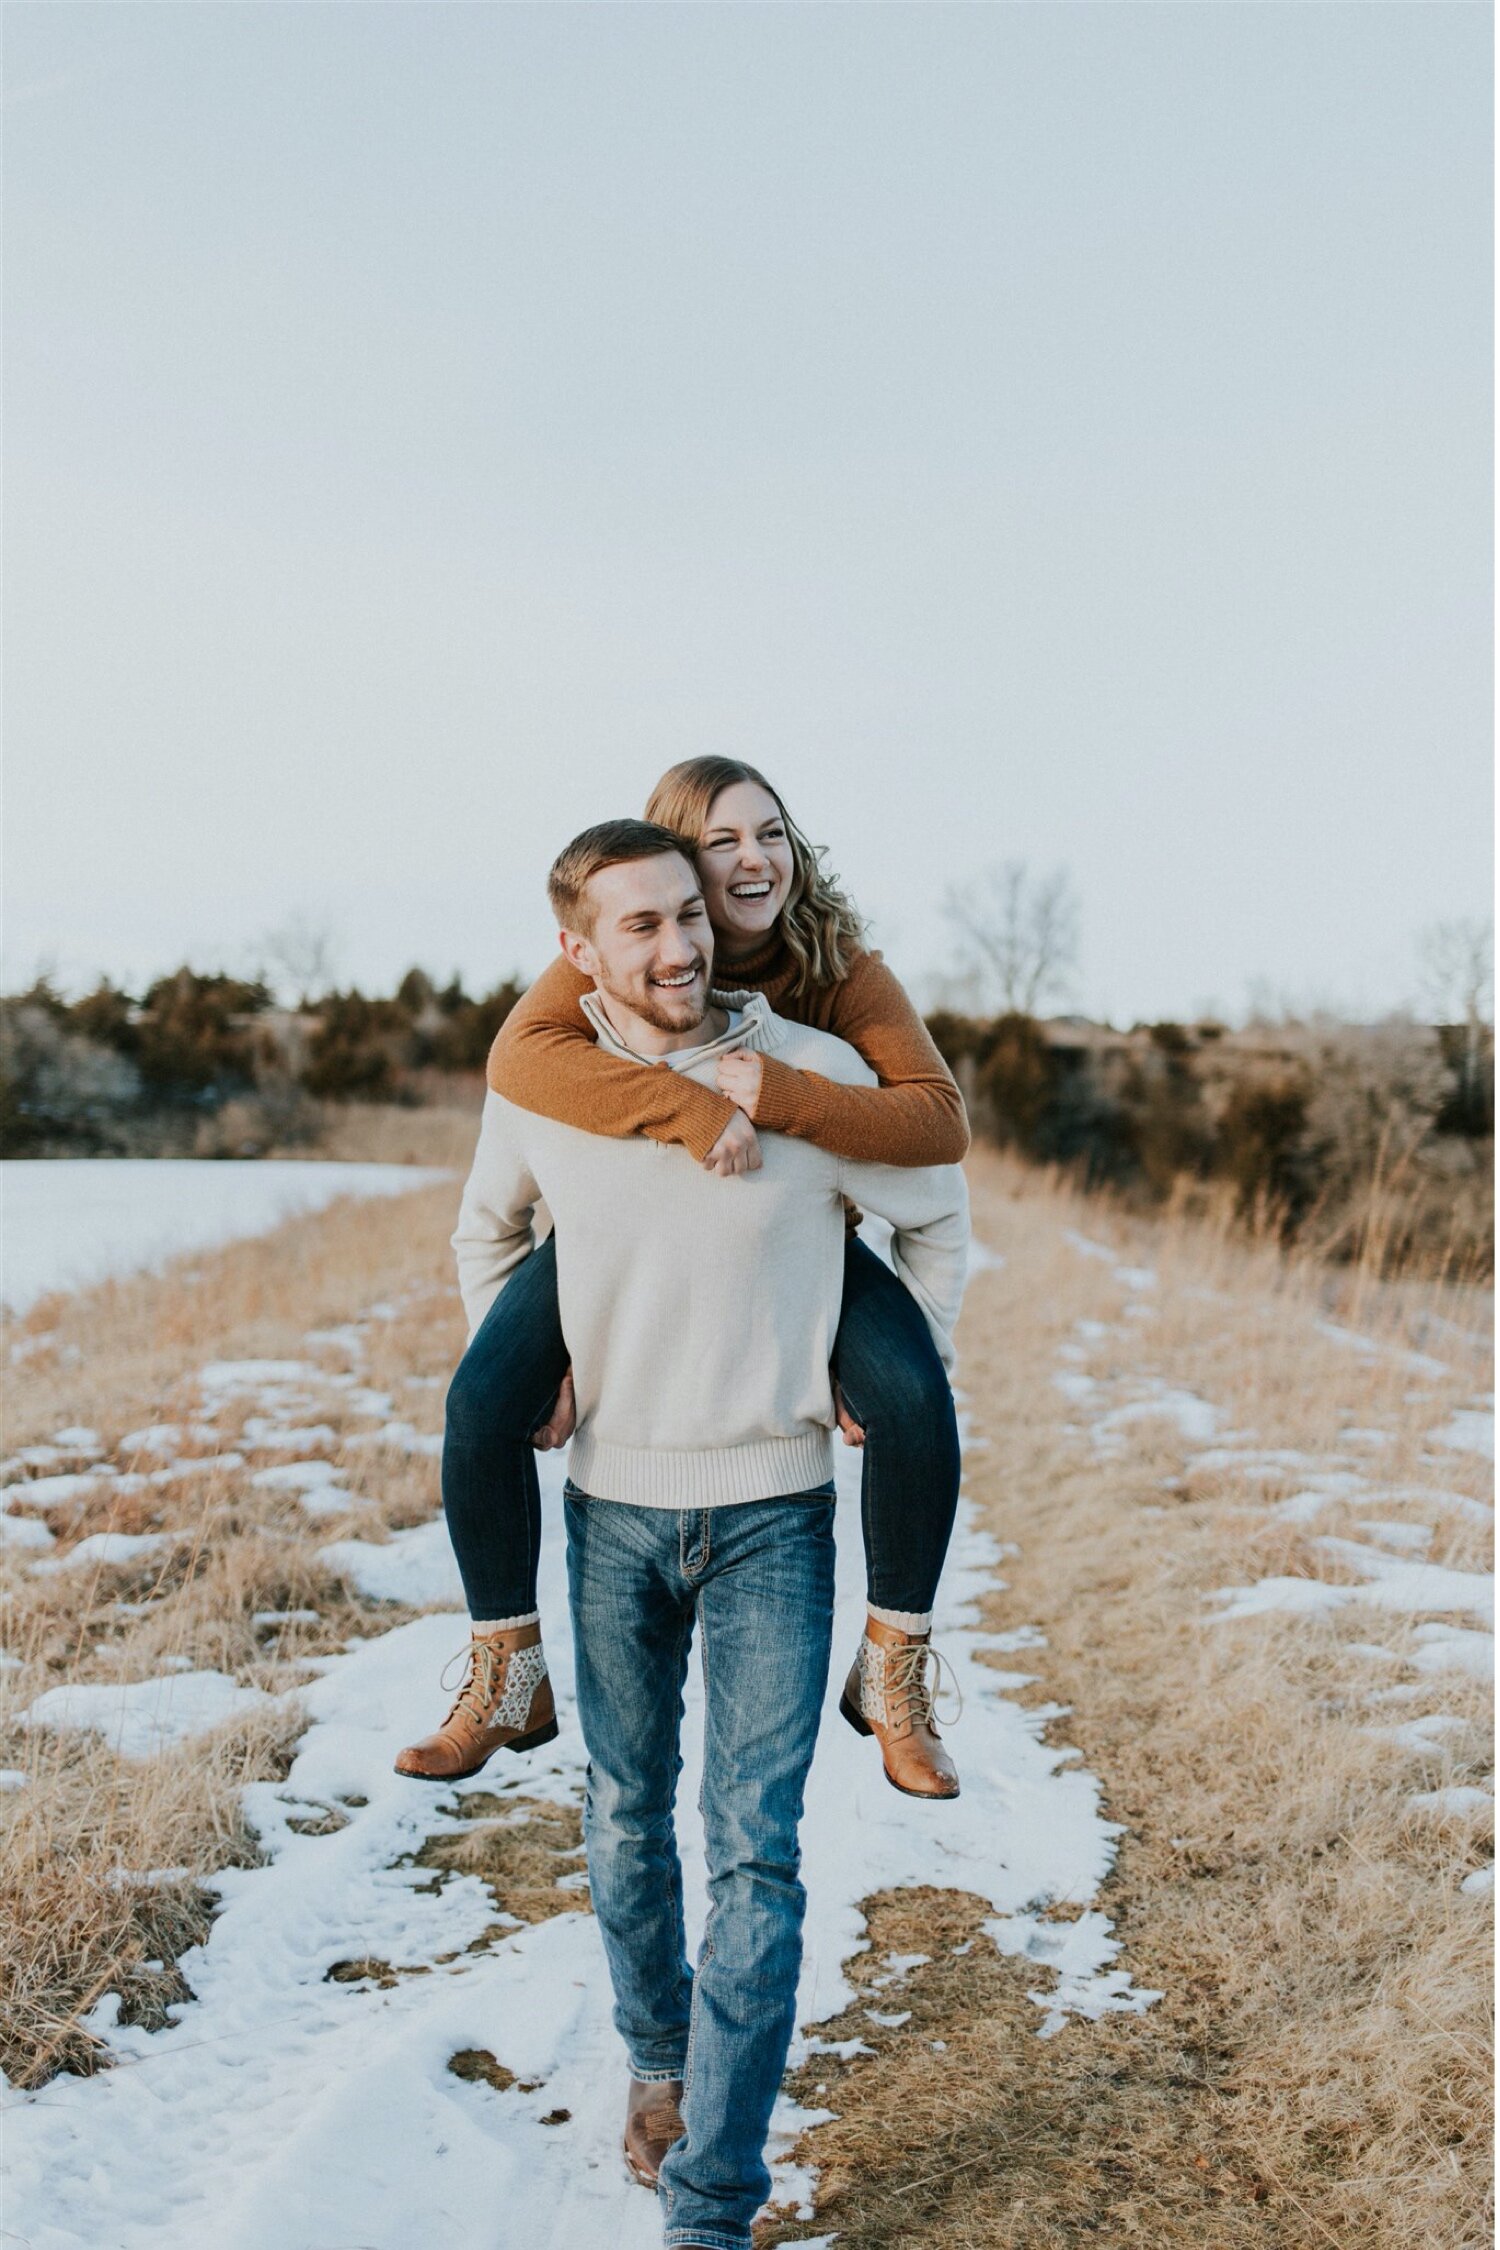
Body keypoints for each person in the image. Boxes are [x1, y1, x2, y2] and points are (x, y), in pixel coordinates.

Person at [440, 818, 969, 2250]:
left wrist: (884, 1372)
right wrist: (538, 1367)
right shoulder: (547, 1084)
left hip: (775, 1519)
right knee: (623, 1816)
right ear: (579, 949)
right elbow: (488, 1234)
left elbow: (934, 1207)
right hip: (611, 1507)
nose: (675, 946)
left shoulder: (816, 1069)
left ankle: (714, 2195)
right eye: (640, 925)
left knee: (756, 1854)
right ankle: (660, 2066)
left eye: (692, 913)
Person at [398, 757, 969, 1798]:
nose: (755, 860)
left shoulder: (839, 967)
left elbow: (940, 1127)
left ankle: (896, 1672)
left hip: (791, 1226)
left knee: (918, 1396)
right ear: (673, 870)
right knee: (483, 1398)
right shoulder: (620, 938)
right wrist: (693, 1108)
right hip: (623, 1231)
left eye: (773, 833)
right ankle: (503, 1669)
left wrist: (785, 1096)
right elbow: (522, 1065)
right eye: (724, 843)